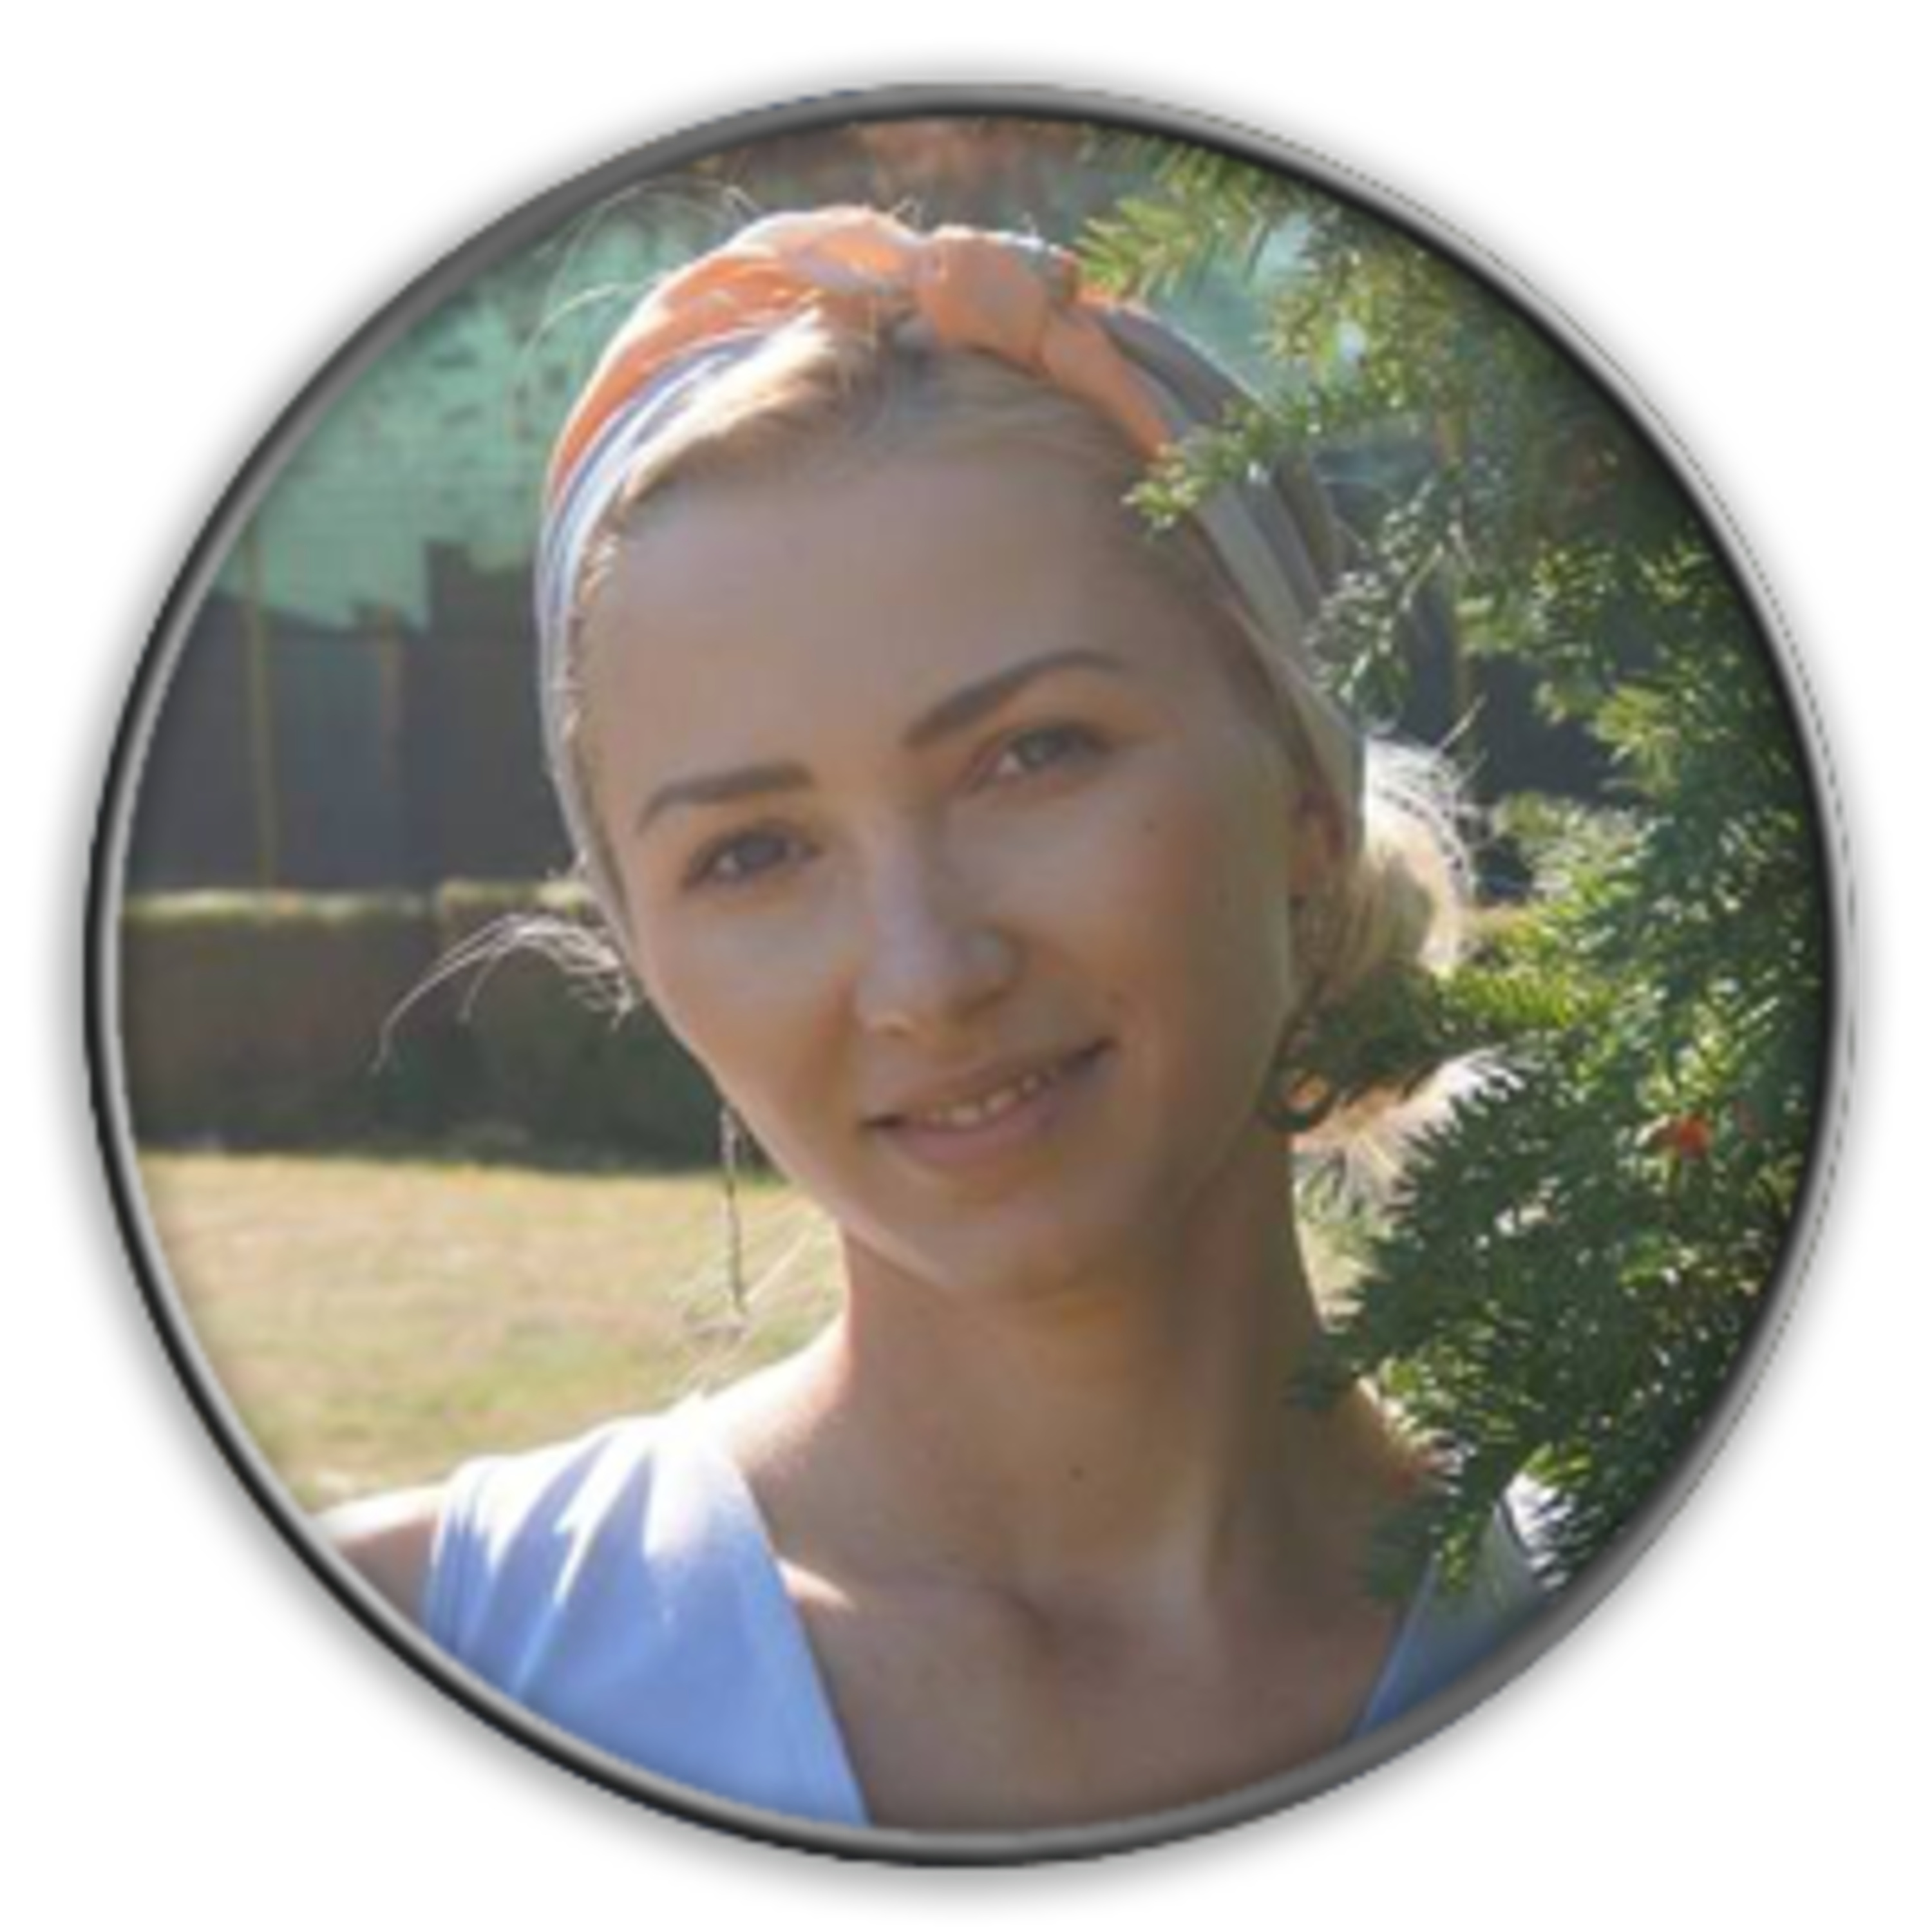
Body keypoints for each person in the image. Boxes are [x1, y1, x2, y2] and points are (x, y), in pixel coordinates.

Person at [324, 206, 1548, 1838]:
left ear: (1305, 795)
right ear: (648, 954)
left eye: (1034, 755)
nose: (926, 975)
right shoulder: (407, 1663)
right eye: (751, 853)